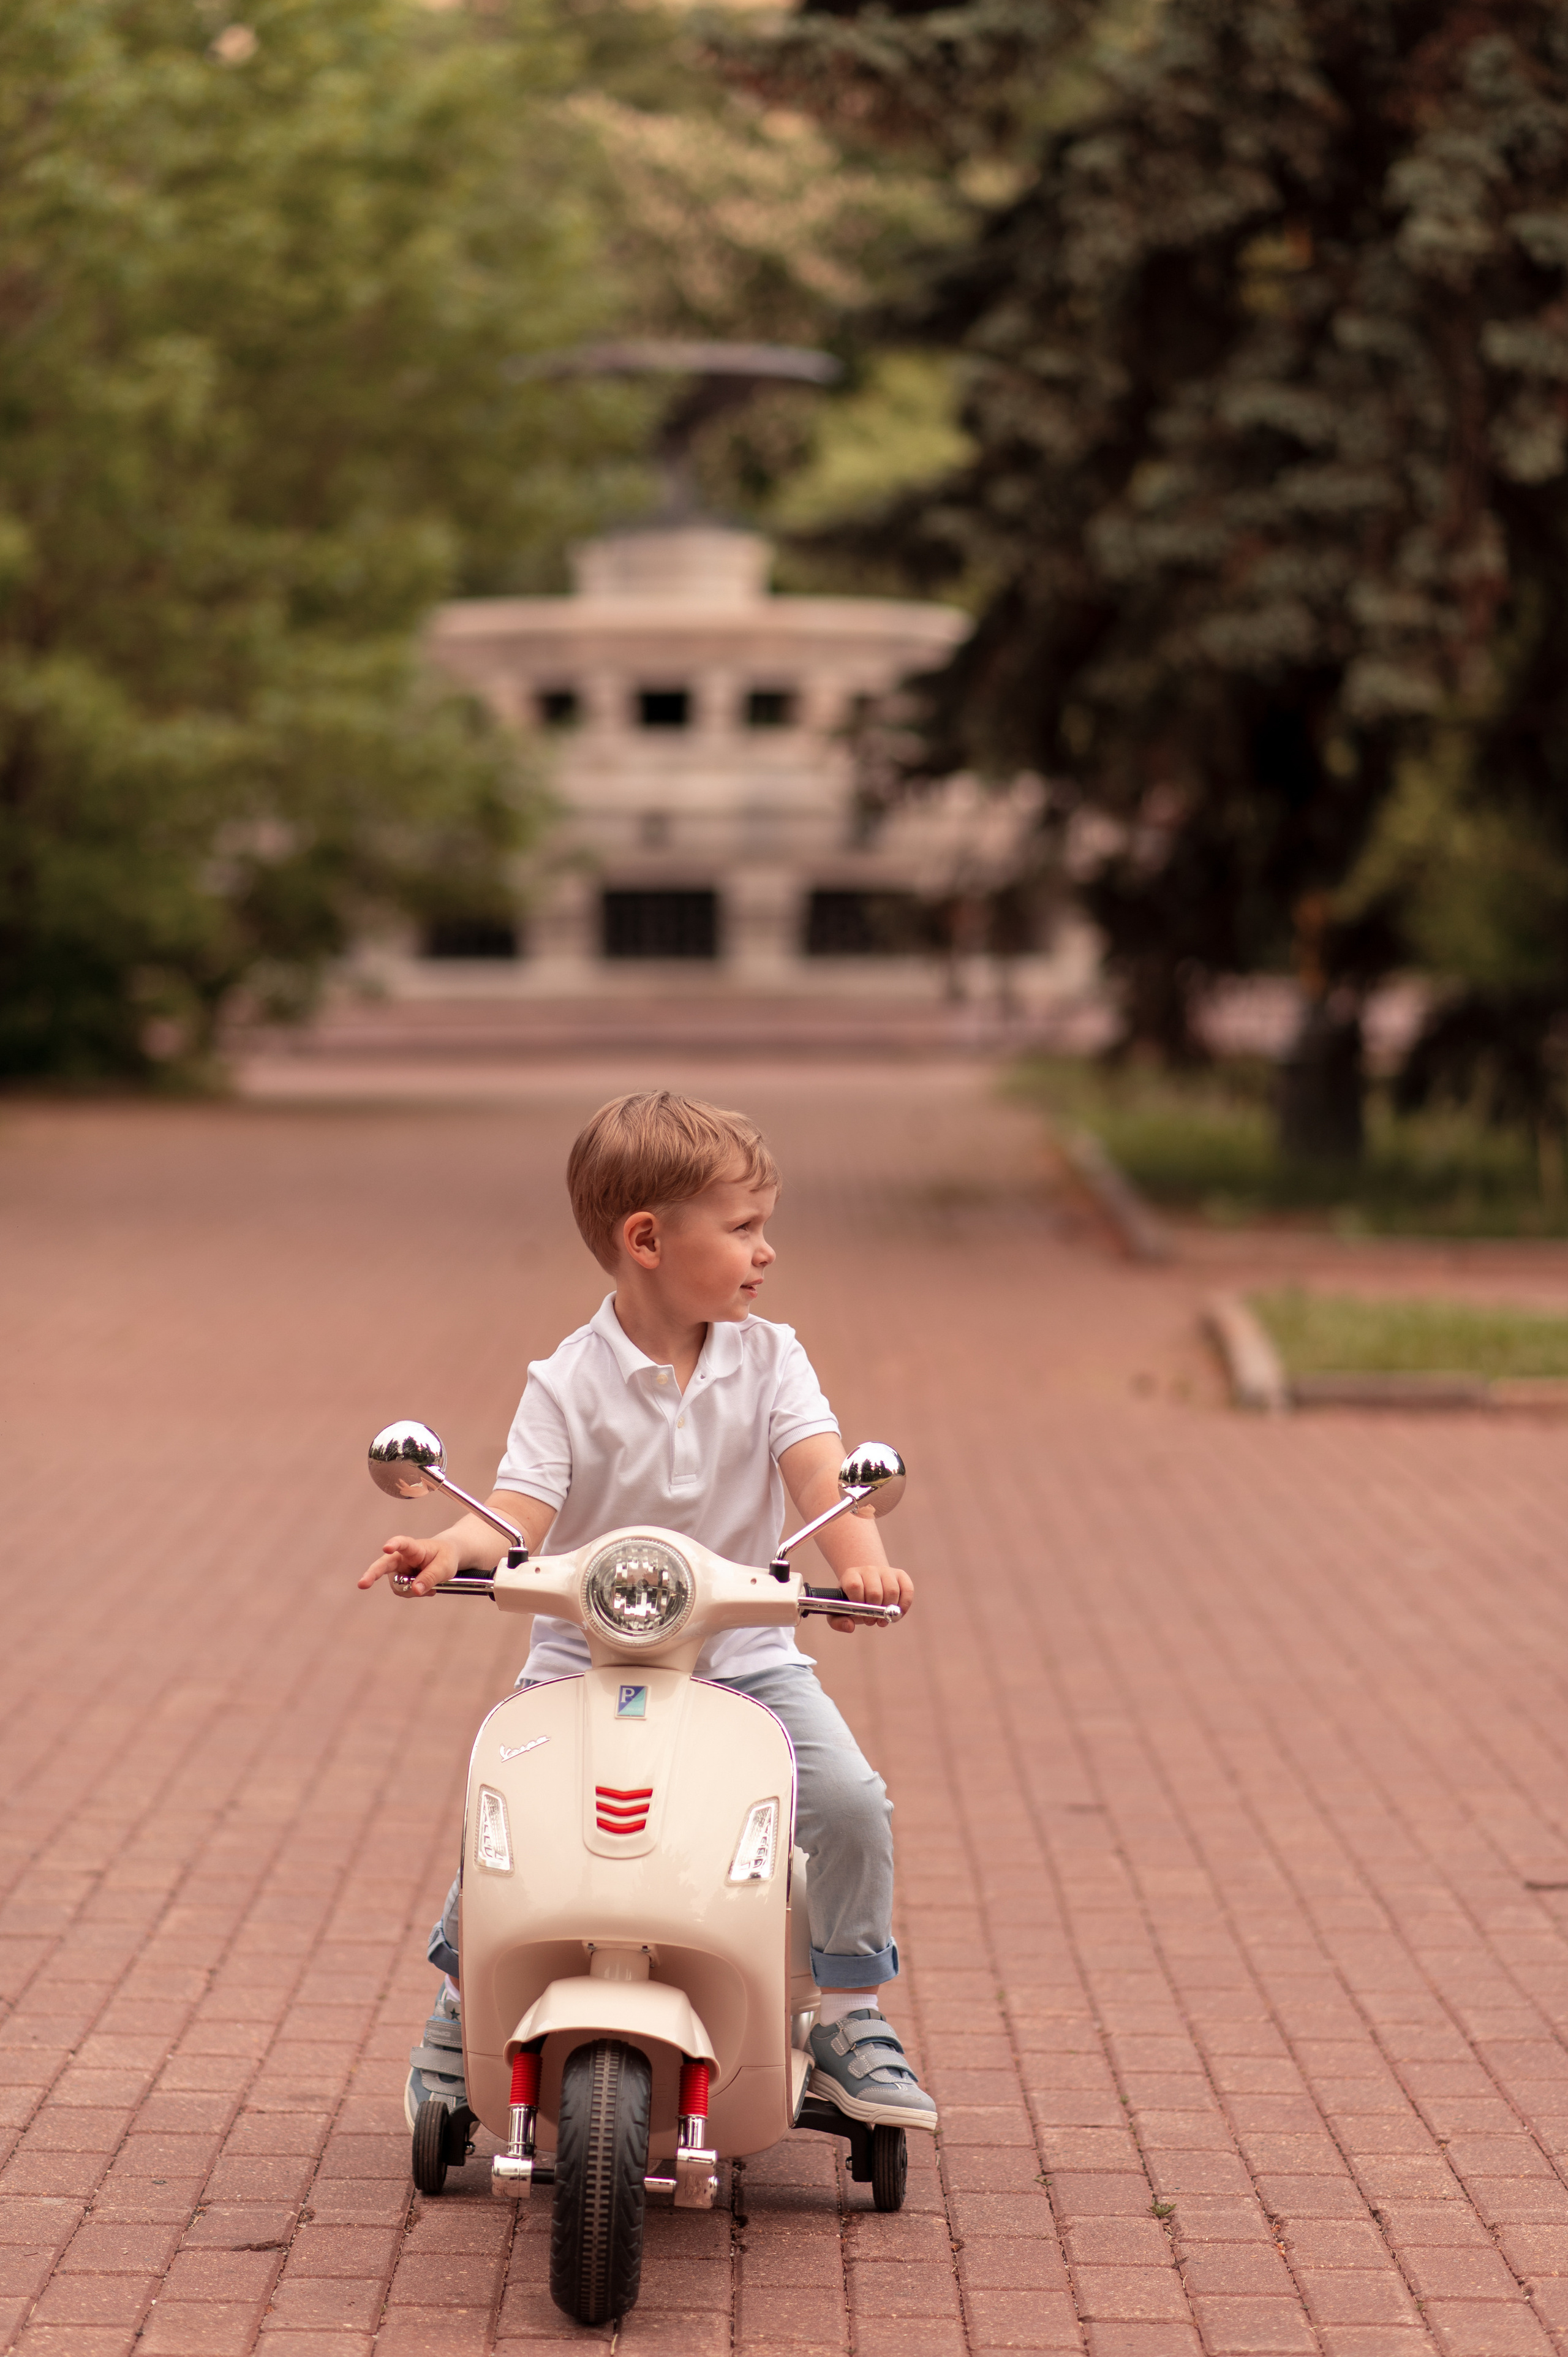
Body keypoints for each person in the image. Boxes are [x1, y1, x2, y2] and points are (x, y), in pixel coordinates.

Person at [359, 1089, 937, 2139]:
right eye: (744, 1227)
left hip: (745, 1657)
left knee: (851, 1802)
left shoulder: (772, 1358)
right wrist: (452, 1548)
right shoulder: (566, 1381)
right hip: (588, 1659)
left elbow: (820, 1474)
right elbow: (518, 1510)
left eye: (763, 1227)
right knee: (514, 1814)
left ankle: (852, 2012)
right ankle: (459, 2004)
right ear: (648, 1241)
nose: (766, 1252)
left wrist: (864, 1566)